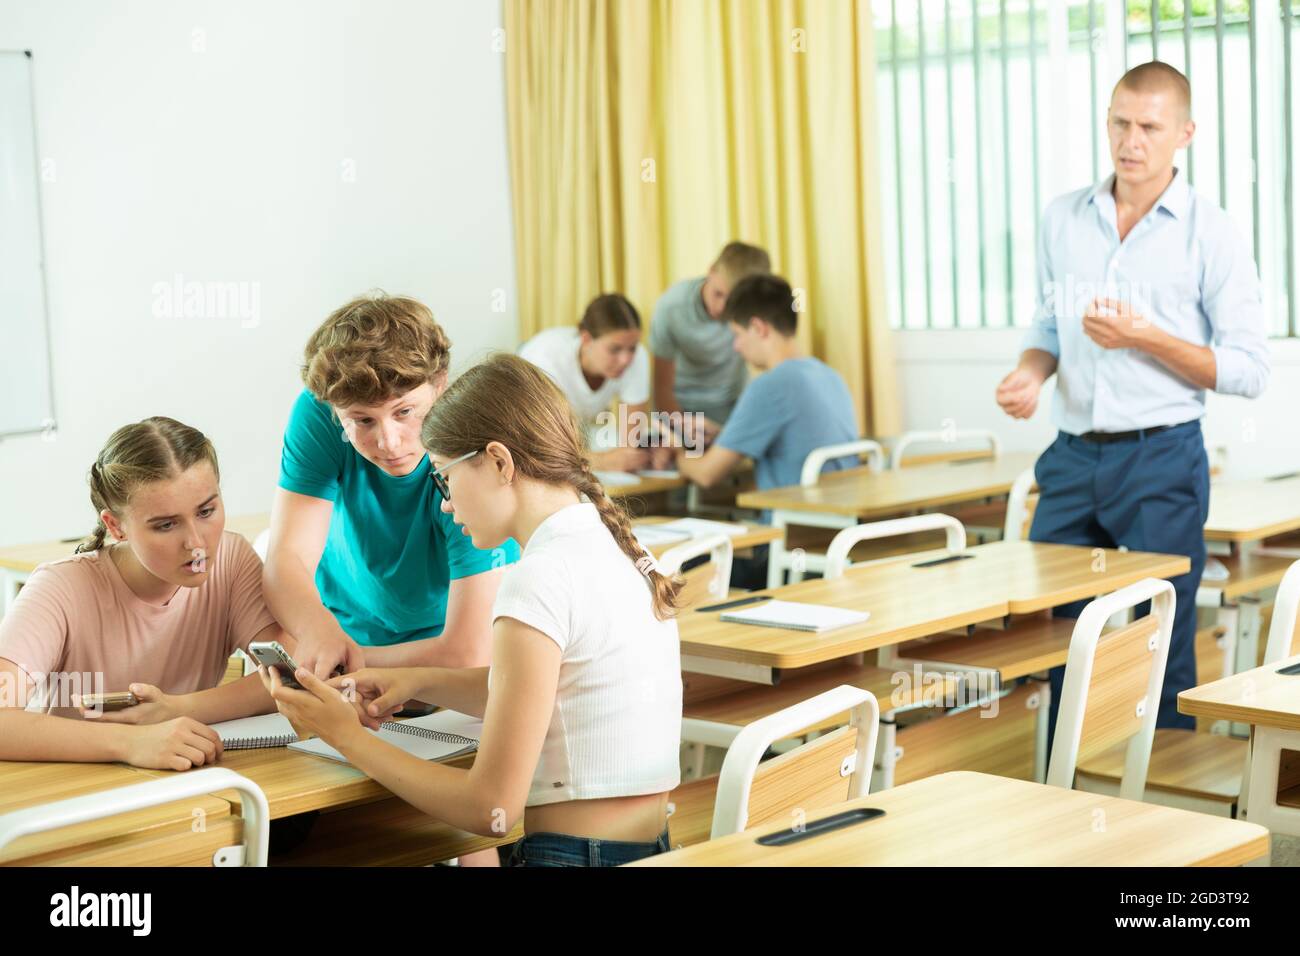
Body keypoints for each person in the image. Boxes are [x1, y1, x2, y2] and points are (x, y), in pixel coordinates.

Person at [262, 354, 683, 867]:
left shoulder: (538, 578)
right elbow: (548, 691)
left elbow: (490, 811)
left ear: (500, 462)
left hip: (570, 856)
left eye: (443, 478)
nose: (444, 503)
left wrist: (344, 735)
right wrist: (418, 681)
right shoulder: (616, 550)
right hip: (647, 850)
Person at [995, 61, 1269, 744]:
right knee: (1050, 631)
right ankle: (1058, 792)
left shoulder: (1213, 233)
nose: (1131, 140)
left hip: (1162, 460)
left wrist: (1145, 337)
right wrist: (1032, 371)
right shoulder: (1063, 217)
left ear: (1185, 133)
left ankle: (1172, 813)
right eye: (1120, 122)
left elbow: (1246, 370)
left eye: (1149, 126)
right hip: (1071, 460)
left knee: (1162, 638)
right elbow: (1048, 325)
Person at [0, 417, 290, 770]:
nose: (196, 543)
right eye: (165, 525)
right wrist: (130, 742)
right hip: (75, 790)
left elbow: (289, 677)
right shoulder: (59, 587)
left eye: (206, 511)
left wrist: (181, 709)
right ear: (115, 526)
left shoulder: (231, 558)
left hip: (180, 779)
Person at [262, 294, 520, 681]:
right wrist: (320, 636)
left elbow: (468, 652)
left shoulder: (475, 449)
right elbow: (287, 558)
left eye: (404, 412)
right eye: (362, 421)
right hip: (340, 630)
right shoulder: (318, 412)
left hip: (435, 656)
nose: (389, 442)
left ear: (439, 386)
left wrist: (340, 663)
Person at [674, 274, 858, 588]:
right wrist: (725, 434)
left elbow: (707, 474)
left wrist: (677, 452)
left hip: (783, 552)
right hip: (832, 544)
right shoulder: (828, 375)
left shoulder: (770, 385)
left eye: (737, 334)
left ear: (759, 328)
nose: (736, 346)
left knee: (675, 559)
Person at [518, 293, 660, 472]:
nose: (625, 359)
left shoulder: (637, 357)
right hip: (528, 433)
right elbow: (540, 448)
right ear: (586, 339)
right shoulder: (545, 361)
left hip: (580, 429)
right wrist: (603, 462)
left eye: (632, 348)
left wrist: (646, 454)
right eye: (614, 349)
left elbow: (630, 444)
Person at [650, 241, 771, 441]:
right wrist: (685, 434)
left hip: (732, 409)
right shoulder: (671, 307)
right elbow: (662, 389)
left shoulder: (755, 313)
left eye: (733, 302)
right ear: (711, 271)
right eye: (718, 294)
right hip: (680, 410)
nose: (723, 308)